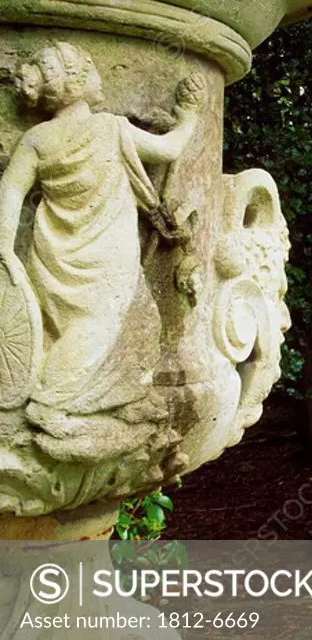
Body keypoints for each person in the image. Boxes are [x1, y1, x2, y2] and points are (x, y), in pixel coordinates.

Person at [0, 41, 203, 442]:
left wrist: (6, 248)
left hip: (54, 255)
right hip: (108, 254)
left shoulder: (37, 140)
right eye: (92, 71)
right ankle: (48, 403)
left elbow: (10, 191)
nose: (100, 80)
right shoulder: (111, 128)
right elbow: (170, 148)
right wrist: (191, 115)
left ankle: (100, 397)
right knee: (94, 327)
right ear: (76, 83)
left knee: (88, 327)